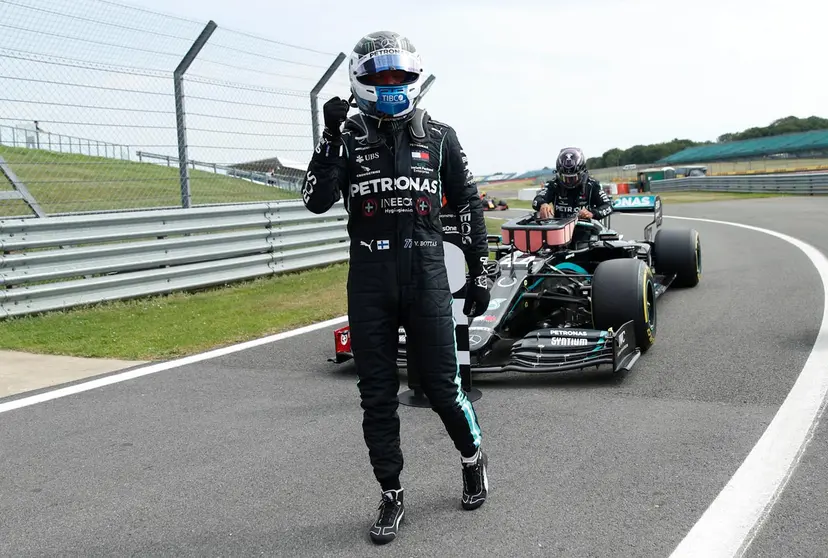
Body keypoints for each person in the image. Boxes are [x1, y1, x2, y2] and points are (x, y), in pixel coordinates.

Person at [301, 30, 491, 545]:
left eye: (399, 75)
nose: (390, 83)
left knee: (442, 387)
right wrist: (328, 140)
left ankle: (473, 459)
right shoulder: (346, 135)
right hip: (368, 281)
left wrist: (479, 272)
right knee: (376, 398)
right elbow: (315, 200)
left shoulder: (441, 135)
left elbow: (468, 203)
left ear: (413, 77)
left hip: (428, 277)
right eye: (379, 75)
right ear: (361, 80)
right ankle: (391, 494)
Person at [532, 147, 613, 221]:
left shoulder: (592, 185)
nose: (569, 181)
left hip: (586, 230)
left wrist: (592, 213)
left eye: (573, 178)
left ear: (582, 173)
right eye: (565, 178)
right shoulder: (554, 184)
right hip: (560, 231)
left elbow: (608, 206)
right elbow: (536, 200)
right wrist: (543, 204)